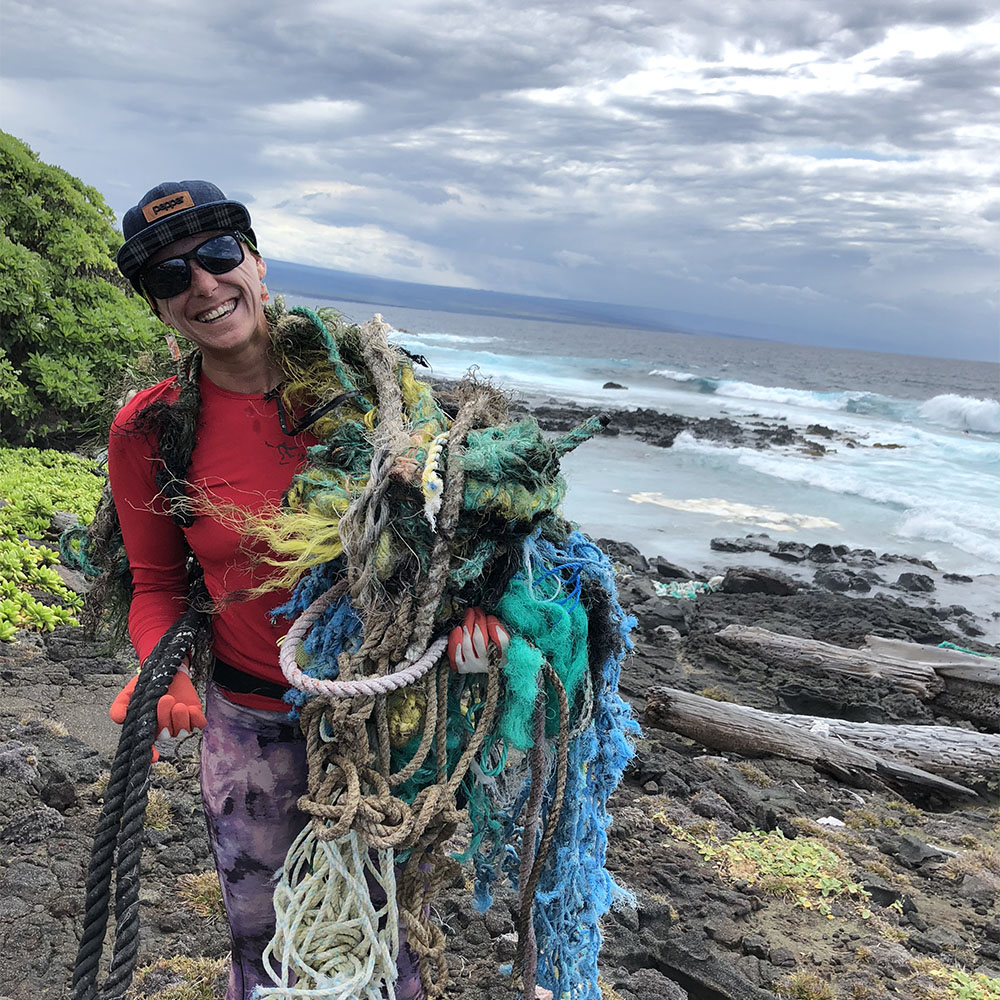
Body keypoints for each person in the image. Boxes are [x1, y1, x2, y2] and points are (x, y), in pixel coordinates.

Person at [106, 180, 434, 1000]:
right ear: (158, 307)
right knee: (266, 945)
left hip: (386, 725)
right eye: (171, 278)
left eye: (217, 256)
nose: (204, 286)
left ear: (256, 259)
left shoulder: (369, 395)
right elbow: (153, 584)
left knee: (390, 945)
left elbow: (452, 547)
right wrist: (163, 672)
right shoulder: (149, 429)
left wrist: (474, 624)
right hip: (250, 725)